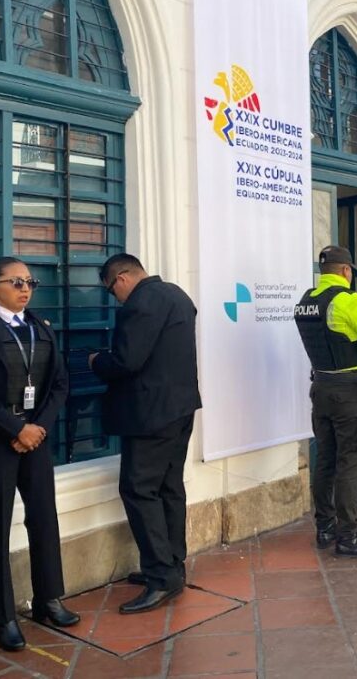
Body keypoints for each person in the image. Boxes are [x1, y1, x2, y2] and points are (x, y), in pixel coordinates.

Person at [0, 258, 79, 652]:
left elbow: (59, 384)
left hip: (35, 439)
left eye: (30, 282)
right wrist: (14, 429)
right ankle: (3, 616)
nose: (25, 289)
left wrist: (36, 428)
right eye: (16, 282)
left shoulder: (41, 326)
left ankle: (48, 599)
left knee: (43, 518)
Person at [89, 254, 202, 613]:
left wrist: (96, 361)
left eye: (112, 291)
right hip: (180, 408)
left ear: (122, 278)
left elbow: (127, 360)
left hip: (150, 415)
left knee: (138, 489)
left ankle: (161, 576)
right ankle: (172, 565)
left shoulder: (141, 303)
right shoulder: (177, 294)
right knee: (169, 487)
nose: (115, 298)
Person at [295, 246, 357, 556]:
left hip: (321, 387)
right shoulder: (350, 301)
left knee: (326, 459)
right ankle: (348, 534)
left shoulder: (306, 302)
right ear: (346, 271)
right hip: (348, 392)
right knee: (352, 461)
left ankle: (325, 526)